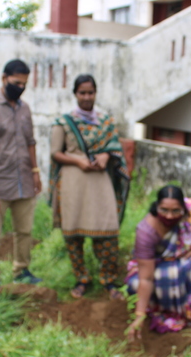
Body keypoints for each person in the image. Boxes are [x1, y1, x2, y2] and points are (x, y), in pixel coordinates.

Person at [48, 74, 130, 300]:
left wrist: (105, 156)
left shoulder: (106, 122)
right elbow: (55, 153)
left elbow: (116, 151)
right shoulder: (63, 123)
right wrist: (78, 161)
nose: (86, 97)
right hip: (73, 182)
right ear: (75, 94)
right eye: (82, 93)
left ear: (96, 93)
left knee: (107, 231)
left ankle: (109, 280)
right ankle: (81, 279)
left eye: (90, 92)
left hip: (100, 182)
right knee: (73, 234)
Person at [125, 185, 191, 341]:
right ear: (157, 207)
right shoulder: (146, 230)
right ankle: (160, 309)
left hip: (184, 261)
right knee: (136, 284)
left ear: (184, 208)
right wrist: (139, 315)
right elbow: (145, 278)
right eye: (164, 210)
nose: (169, 216)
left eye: (176, 211)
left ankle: (186, 306)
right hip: (156, 267)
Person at [0, 59, 42, 294]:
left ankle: (21, 270)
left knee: (24, 231)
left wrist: (35, 172)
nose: (20, 87)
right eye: (16, 83)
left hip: (24, 180)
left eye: (24, 84)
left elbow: (30, 142)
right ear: (4, 79)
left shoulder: (25, 109)